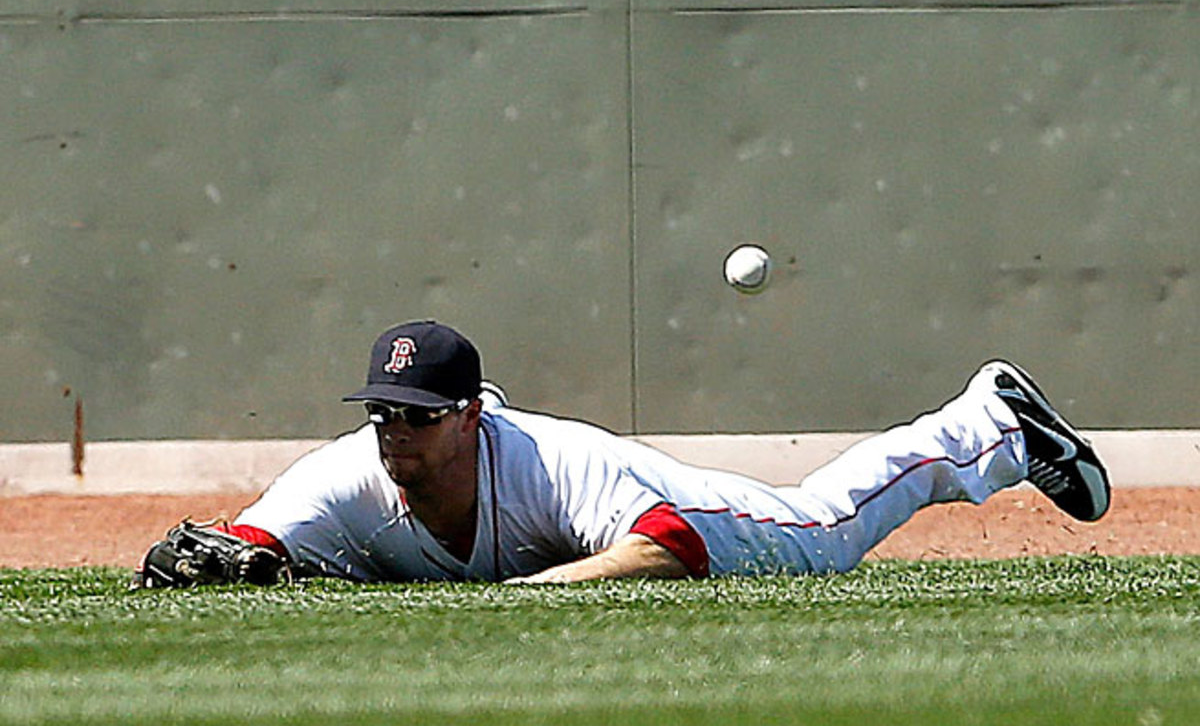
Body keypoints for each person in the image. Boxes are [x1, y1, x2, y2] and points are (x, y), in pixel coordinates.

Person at [142, 320, 1110, 585]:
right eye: (385, 412)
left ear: (471, 413)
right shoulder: (345, 477)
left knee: (820, 528)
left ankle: (987, 427)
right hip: (593, 537)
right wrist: (237, 560)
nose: (397, 431)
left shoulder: (550, 461)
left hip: (668, 508)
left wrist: (522, 603)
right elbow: (253, 538)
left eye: (420, 414)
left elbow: (667, 546)